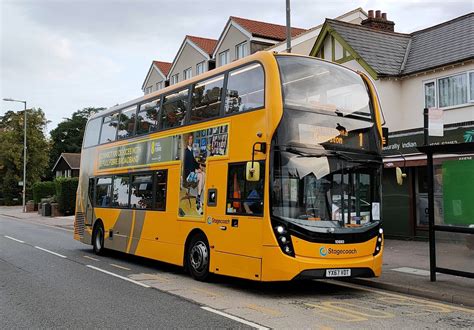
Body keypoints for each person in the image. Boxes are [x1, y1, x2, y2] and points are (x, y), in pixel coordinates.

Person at [183, 134, 205, 213]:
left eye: (192, 139)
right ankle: (198, 199)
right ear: (187, 140)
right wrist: (196, 171)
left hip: (192, 172)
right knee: (200, 175)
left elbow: (194, 162)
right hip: (188, 175)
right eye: (189, 139)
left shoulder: (192, 150)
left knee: (203, 174)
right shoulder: (185, 152)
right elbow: (187, 166)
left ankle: (198, 197)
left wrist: (199, 167)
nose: (191, 141)